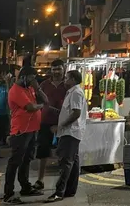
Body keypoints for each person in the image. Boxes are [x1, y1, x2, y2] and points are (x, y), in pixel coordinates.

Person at [4, 66, 48, 204]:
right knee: (15, 162)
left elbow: (46, 100)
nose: (33, 81)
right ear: (23, 77)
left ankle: (25, 187)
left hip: (32, 130)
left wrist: (37, 88)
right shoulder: (16, 90)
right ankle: (8, 194)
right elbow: (30, 107)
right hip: (20, 131)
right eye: (31, 78)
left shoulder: (29, 88)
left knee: (27, 160)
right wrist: (40, 106)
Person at [45, 70, 87, 203]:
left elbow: (76, 113)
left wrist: (61, 126)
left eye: (67, 78)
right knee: (72, 162)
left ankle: (59, 192)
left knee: (65, 162)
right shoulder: (72, 92)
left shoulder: (76, 93)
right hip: (71, 132)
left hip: (70, 132)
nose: (64, 80)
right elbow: (69, 111)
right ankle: (70, 190)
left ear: (73, 79)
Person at [35, 59, 67, 191]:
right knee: (43, 151)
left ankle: (62, 181)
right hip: (45, 122)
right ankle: (40, 179)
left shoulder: (67, 85)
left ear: (64, 69)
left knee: (63, 152)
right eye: (54, 69)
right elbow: (37, 100)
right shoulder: (44, 84)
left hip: (63, 122)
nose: (56, 72)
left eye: (59, 69)